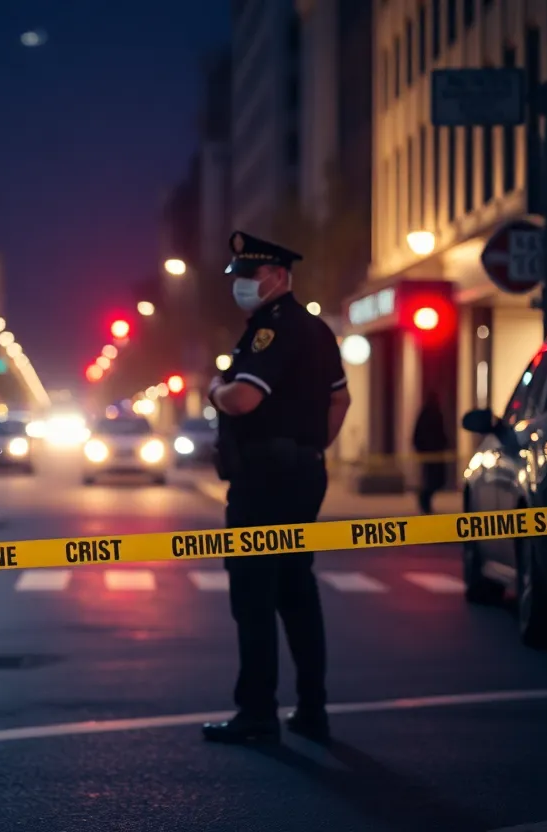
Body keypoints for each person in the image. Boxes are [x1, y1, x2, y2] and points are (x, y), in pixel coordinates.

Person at [201, 231, 352, 745]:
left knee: (254, 592)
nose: (242, 284)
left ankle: (258, 714)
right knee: (295, 590)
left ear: (280, 276)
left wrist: (215, 390)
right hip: (301, 474)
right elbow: (341, 402)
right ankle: (312, 709)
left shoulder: (273, 328)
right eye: (239, 276)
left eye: (251, 275)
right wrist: (310, 450)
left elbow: (243, 399)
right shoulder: (317, 329)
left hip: (265, 481)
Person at [412, 391, 449, 514]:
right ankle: (424, 501)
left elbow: (441, 432)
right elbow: (418, 434)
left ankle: (425, 500)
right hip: (429, 453)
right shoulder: (428, 414)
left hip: (437, 453)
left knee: (437, 480)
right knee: (431, 480)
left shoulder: (437, 413)